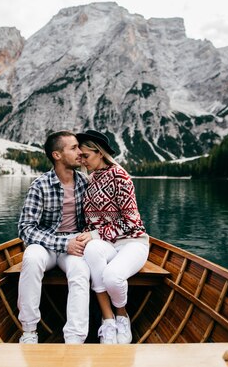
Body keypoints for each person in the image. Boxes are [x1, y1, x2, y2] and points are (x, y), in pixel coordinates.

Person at [75, 130, 149, 344]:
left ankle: (122, 315)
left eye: (86, 156)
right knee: (91, 249)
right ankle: (107, 320)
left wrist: (95, 233)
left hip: (133, 242)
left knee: (112, 276)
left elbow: (131, 221)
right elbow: (90, 223)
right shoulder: (89, 181)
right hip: (106, 244)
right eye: (80, 157)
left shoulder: (120, 176)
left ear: (99, 153)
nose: (83, 161)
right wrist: (83, 236)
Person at [17, 130, 91, 344]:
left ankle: (74, 339)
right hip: (46, 245)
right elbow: (25, 228)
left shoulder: (85, 183)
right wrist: (62, 243)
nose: (80, 152)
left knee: (80, 271)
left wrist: (79, 240)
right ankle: (29, 331)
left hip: (74, 245)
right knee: (30, 258)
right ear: (57, 155)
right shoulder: (40, 185)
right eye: (74, 148)